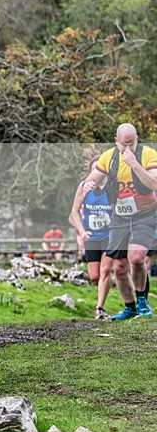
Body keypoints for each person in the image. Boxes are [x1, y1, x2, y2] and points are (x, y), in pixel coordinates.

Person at [82, 123, 156, 320]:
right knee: (119, 267)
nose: (128, 149)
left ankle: (142, 301)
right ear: (117, 142)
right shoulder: (109, 157)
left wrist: (134, 163)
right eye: (124, 145)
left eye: (132, 144)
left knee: (137, 257)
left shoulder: (148, 155)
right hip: (121, 216)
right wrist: (90, 183)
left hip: (145, 214)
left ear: (137, 139)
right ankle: (130, 307)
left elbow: (154, 183)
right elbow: (92, 178)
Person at [69, 157, 114, 318]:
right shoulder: (83, 187)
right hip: (91, 237)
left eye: (100, 169)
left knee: (105, 269)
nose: (98, 173)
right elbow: (73, 212)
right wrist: (82, 232)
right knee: (95, 275)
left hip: (110, 235)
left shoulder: (113, 187)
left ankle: (100, 307)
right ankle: (105, 286)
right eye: (94, 169)